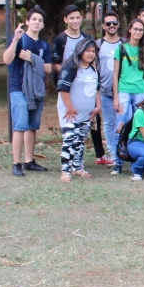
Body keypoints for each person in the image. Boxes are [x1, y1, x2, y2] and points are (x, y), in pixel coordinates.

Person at [3, 6, 52, 176]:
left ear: (43, 25)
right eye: (34, 19)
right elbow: (6, 59)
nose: (37, 22)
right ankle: (16, 163)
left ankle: (29, 161)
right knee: (20, 125)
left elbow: (48, 68)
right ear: (27, 22)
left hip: (35, 90)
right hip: (18, 88)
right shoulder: (21, 39)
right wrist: (15, 40)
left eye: (40, 20)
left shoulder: (43, 45)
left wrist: (32, 58)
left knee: (32, 126)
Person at [111, 18, 144, 175]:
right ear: (129, 29)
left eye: (141, 30)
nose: (138, 32)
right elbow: (115, 74)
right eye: (135, 29)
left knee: (140, 125)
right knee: (120, 124)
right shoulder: (121, 48)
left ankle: (138, 160)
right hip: (123, 90)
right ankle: (118, 161)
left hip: (140, 91)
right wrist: (115, 97)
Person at [56, 38, 100, 182]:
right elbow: (63, 89)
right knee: (69, 139)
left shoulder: (93, 69)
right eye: (88, 51)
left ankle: (77, 167)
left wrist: (98, 106)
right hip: (70, 113)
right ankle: (65, 170)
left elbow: (96, 89)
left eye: (93, 51)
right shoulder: (71, 67)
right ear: (80, 51)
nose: (91, 54)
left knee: (80, 141)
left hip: (86, 114)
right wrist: (69, 107)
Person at [92, 11, 123, 166]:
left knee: (122, 121)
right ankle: (112, 153)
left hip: (122, 90)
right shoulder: (98, 44)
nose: (112, 26)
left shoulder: (124, 43)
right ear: (103, 26)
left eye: (114, 23)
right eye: (108, 23)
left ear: (118, 25)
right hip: (104, 90)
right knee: (109, 123)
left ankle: (122, 150)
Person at [52, 4, 92, 76]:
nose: (75, 21)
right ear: (65, 20)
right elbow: (55, 64)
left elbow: (93, 60)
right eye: (72, 18)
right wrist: (68, 74)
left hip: (85, 78)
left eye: (78, 18)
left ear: (81, 18)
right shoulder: (60, 39)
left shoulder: (87, 38)